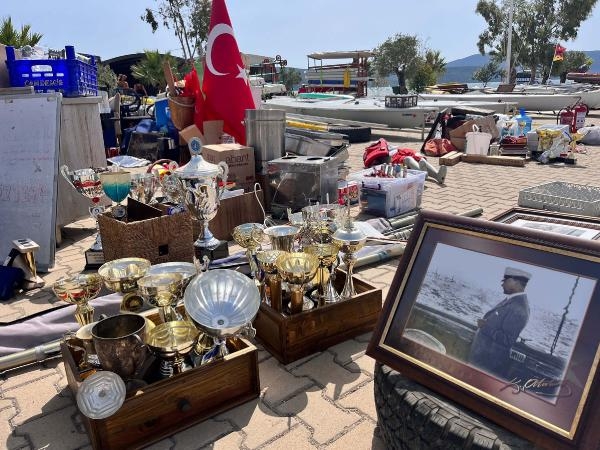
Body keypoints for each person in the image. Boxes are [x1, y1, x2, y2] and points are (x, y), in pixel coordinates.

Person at [468, 267, 531, 379]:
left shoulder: (519, 307)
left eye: (505, 281)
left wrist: (485, 327)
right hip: (481, 359)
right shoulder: (512, 301)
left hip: (487, 364)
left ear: (515, 282)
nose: (502, 284)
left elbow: (507, 340)